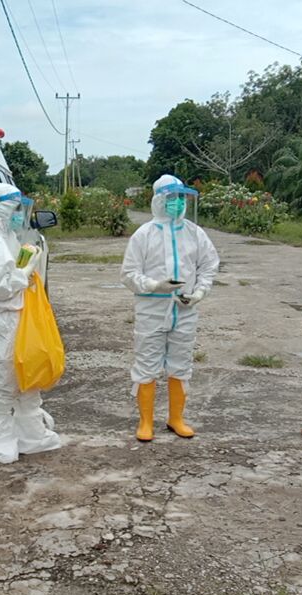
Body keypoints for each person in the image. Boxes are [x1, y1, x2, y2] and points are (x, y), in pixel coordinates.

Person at [0, 182, 61, 464]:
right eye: (12, 208)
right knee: (2, 384)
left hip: (14, 318)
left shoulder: (6, 238)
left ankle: (32, 436)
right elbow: (0, 287)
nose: (18, 214)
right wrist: (26, 271)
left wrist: (26, 264)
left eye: (20, 208)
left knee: (26, 378)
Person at [121, 174, 219, 442]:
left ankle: (176, 418)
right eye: (171, 198)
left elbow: (209, 265)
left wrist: (199, 291)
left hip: (184, 310)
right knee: (147, 364)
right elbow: (128, 274)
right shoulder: (144, 235)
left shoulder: (194, 232)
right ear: (159, 200)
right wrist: (155, 284)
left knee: (181, 363)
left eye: (180, 197)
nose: (177, 203)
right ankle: (145, 421)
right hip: (152, 309)